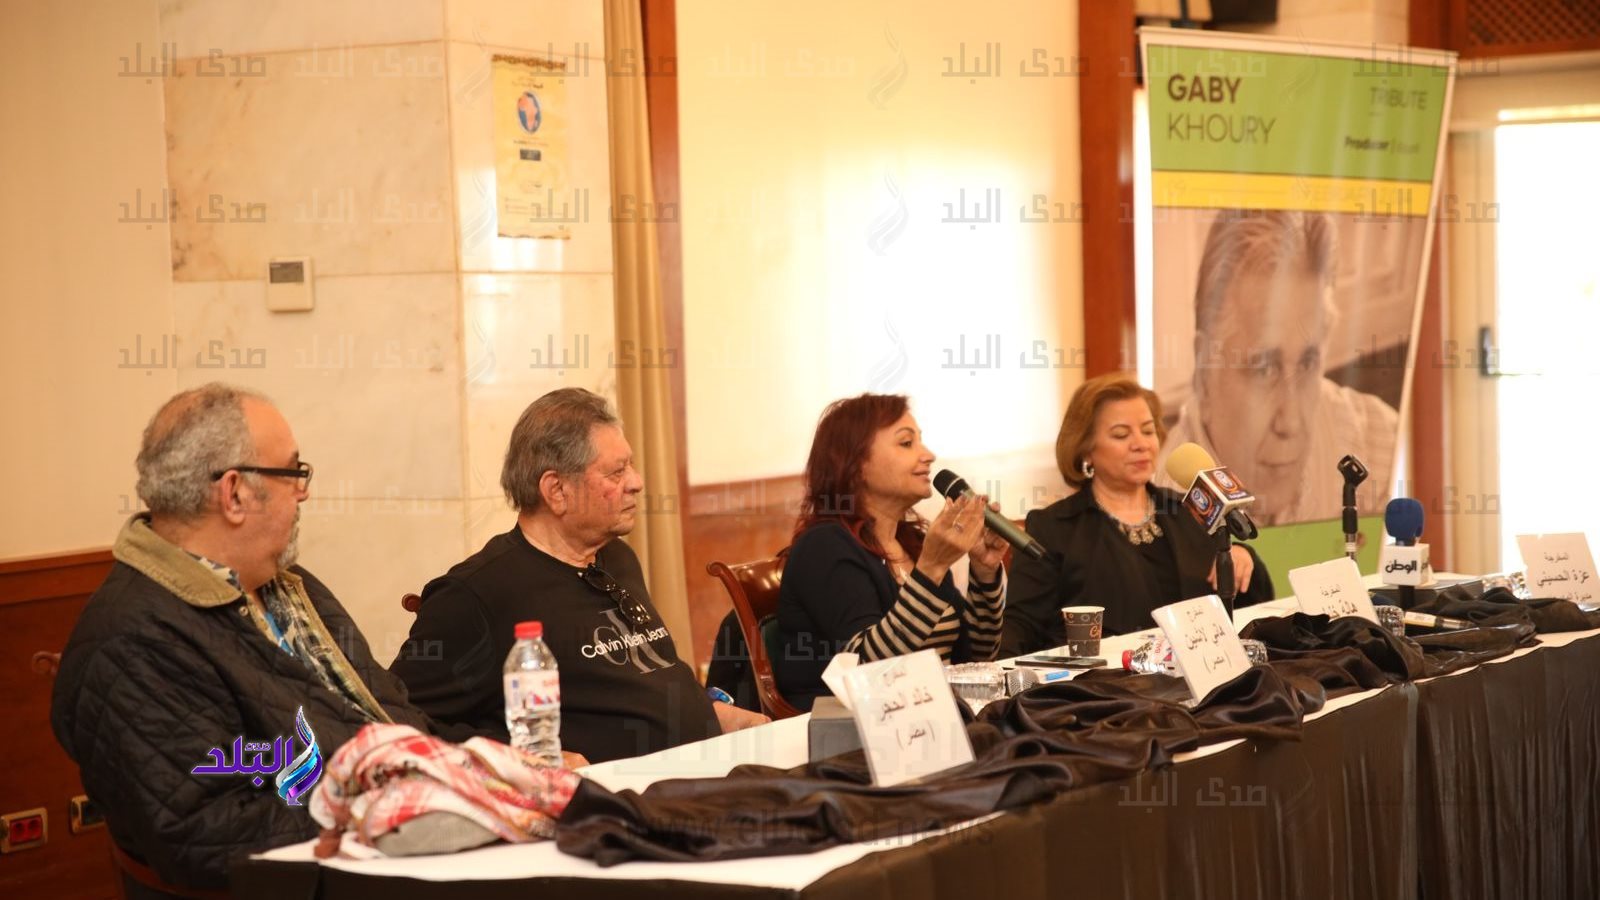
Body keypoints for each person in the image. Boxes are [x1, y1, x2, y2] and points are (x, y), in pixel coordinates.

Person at [51, 384, 441, 894]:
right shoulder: (134, 641)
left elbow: (388, 711)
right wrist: (397, 806)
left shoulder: (289, 585)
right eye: (293, 473)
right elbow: (206, 837)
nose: (303, 492)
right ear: (234, 493)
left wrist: (474, 775)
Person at [391, 388, 767, 763]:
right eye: (617, 471)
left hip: (708, 766)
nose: (636, 481)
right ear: (556, 490)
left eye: (630, 466)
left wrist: (717, 715)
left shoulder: (618, 558)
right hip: (618, 796)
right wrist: (527, 758)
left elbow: (645, 681)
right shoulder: (476, 595)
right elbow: (394, 719)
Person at [1000, 374, 1273, 656]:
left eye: (1148, 430)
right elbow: (1022, 626)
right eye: (1121, 434)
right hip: (1103, 680)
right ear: (1085, 449)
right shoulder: (1053, 528)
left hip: (1201, 671)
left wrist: (1241, 557)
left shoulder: (1189, 511)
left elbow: (1248, 612)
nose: (1141, 444)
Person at [1161, 208, 1397, 526]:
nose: (1291, 422)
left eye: (1307, 363)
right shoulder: (1161, 516)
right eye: (1264, 369)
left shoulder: (1371, 437)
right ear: (1204, 372)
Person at [775, 394, 1008, 711]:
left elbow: (975, 661)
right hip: (847, 729)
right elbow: (869, 672)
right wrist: (931, 568)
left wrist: (984, 572)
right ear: (857, 464)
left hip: (932, 719)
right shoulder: (823, 547)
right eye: (906, 443)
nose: (928, 455)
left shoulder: (912, 542)